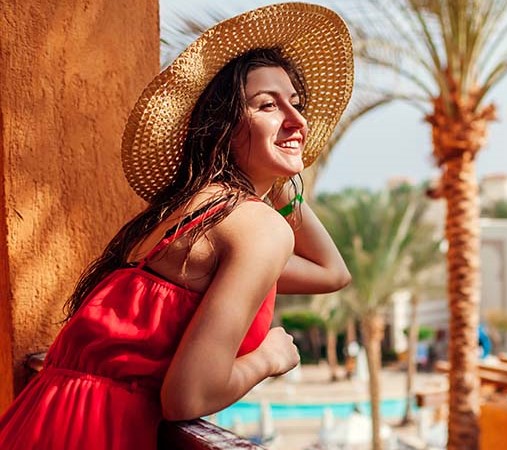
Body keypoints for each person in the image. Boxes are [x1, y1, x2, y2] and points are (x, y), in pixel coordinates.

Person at [0, 3, 354, 449]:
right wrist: (269, 357)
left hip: (47, 418)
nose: (298, 120)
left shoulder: (195, 213)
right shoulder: (252, 226)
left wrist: (279, 181)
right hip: (99, 434)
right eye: (267, 105)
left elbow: (332, 274)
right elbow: (188, 397)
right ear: (221, 126)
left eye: (296, 105)